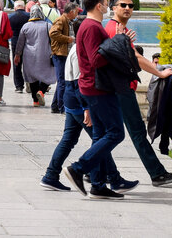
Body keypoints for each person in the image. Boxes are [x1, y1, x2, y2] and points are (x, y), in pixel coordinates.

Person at [105, 0, 172, 186]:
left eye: (130, 5)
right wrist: (160, 73)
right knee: (136, 131)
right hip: (121, 89)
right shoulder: (115, 29)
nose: (127, 8)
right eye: (123, 5)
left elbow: (132, 56)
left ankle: (94, 168)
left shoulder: (120, 29)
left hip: (116, 88)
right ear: (114, 7)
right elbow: (136, 58)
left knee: (109, 132)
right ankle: (157, 173)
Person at [64, 0, 127, 199]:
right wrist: (117, 41)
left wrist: (117, 39)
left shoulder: (90, 26)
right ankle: (78, 168)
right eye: (107, 3)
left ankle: (98, 185)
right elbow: (96, 60)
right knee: (116, 133)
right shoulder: (91, 27)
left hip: (94, 86)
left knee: (100, 135)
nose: (109, 5)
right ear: (99, 6)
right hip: (97, 87)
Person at [41, 44, 127, 191]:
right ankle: (112, 178)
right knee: (100, 141)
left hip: (71, 99)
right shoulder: (80, 50)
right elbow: (78, 81)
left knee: (69, 139)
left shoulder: (75, 48)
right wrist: (86, 107)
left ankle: (51, 175)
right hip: (79, 102)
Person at [14, 1, 54, 107]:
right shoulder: (48, 26)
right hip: (45, 54)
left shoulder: (26, 26)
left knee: (32, 78)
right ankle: (41, 92)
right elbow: (53, 41)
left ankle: (35, 101)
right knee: (49, 74)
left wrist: (17, 55)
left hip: (29, 56)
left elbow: (20, 43)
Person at [49, 3, 79, 113]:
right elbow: (53, 33)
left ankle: (55, 105)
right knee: (62, 81)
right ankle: (62, 107)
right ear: (71, 12)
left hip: (64, 54)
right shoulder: (61, 20)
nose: (77, 14)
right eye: (76, 11)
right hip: (59, 54)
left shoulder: (68, 21)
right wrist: (67, 39)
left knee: (62, 81)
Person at [8, 4, 30, 93]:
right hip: (28, 42)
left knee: (16, 64)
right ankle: (30, 84)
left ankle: (19, 86)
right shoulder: (29, 16)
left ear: (15, 7)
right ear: (24, 7)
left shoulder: (10, 17)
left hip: (15, 41)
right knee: (28, 64)